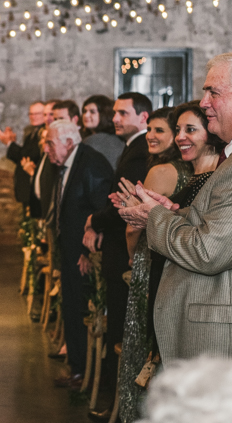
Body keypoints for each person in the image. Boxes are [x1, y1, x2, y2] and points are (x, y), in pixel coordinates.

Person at [118, 53, 232, 367]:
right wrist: (172, 213)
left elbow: (209, 250)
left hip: (216, 338)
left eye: (214, 93)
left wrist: (155, 216)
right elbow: (216, 224)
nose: (204, 102)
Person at [115, 107, 191, 422]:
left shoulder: (161, 172)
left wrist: (133, 253)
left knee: (145, 340)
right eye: (150, 130)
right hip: (178, 259)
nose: (151, 136)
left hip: (155, 257)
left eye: (160, 130)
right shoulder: (198, 169)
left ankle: (134, 410)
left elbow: (135, 227)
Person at [83, 92, 151, 420]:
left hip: (122, 251)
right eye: (116, 113)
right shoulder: (132, 147)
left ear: (143, 117)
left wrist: (96, 219)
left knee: (122, 330)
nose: (116, 118)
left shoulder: (140, 151)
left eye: (123, 113)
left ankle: (119, 404)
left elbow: (123, 203)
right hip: (115, 246)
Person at [43, 120, 113, 389]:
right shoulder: (71, 161)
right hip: (71, 248)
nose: (47, 148)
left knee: (79, 308)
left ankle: (83, 370)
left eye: (50, 143)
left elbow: (100, 209)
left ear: (69, 143)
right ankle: (77, 366)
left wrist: (87, 252)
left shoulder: (91, 163)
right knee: (72, 306)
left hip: (83, 254)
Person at [0, 101, 45, 210]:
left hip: (35, 187)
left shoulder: (43, 133)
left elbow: (30, 156)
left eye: (37, 114)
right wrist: (10, 143)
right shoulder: (31, 135)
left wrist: (10, 143)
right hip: (27, 188)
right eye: (31, 114)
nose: (33, 117)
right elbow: (22, 159)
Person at [82, 95, 125, 171]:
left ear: (104, 114)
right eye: (84, 111)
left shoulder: (93, 140)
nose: (86, 115)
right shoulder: (118, 138)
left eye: (92, 112)